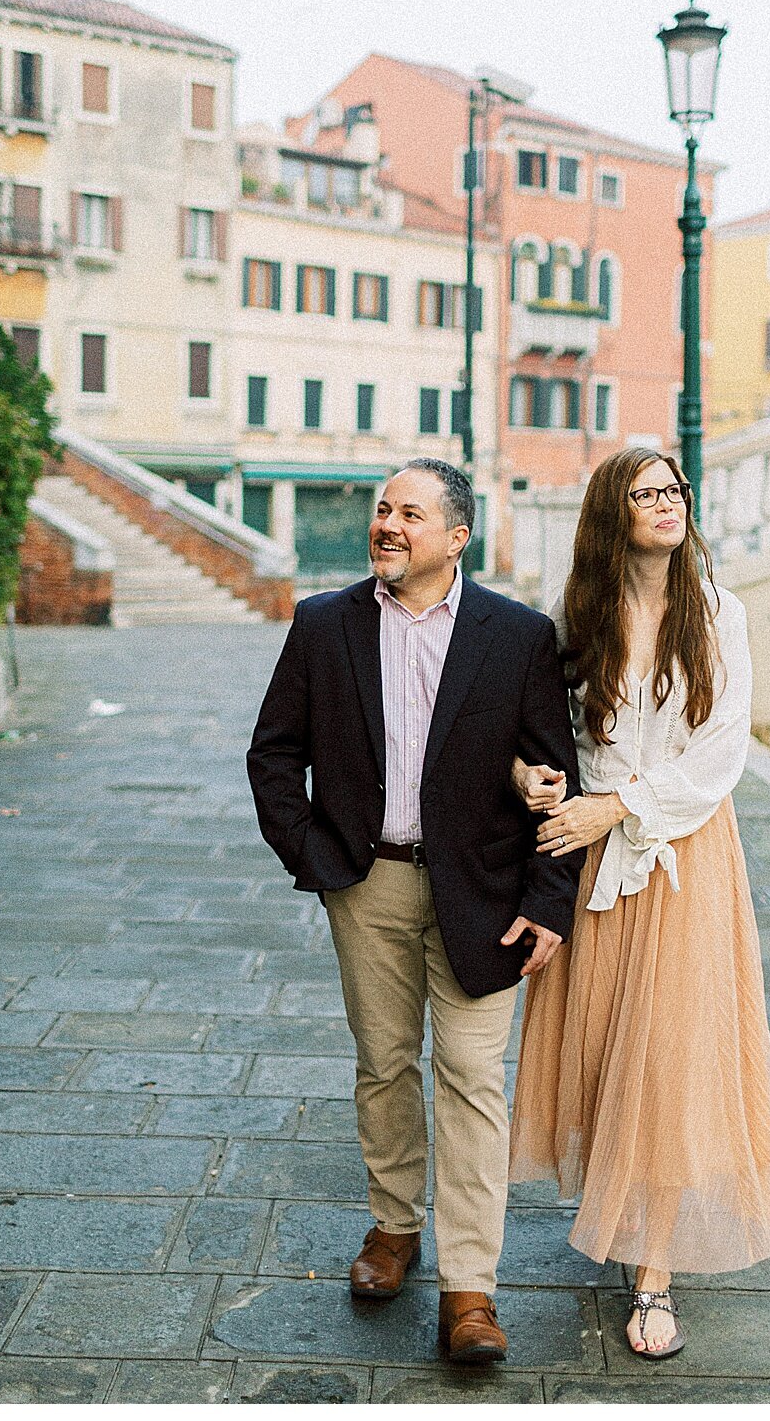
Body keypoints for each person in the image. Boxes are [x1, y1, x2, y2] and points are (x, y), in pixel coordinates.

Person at [247, 458, 582, 1365]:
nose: (388, 525)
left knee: (474, 1078)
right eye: (382, 509)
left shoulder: (515, 636)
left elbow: (559, 777)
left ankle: (470, 1289)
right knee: (385, 1064)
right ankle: (393, 1230)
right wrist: (319, 860)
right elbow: (273, 755)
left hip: (488, 892)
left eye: (410, 513)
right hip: (370, 883)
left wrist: (552, 902)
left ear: (456, 536)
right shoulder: (324, 624)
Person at [508, 447, 770, 1359]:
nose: (667, 503)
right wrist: (530, 776)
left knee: (670, 1054)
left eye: (674, 489)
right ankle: (624, 1209)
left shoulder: (720, 614)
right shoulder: (578, 620)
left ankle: (655, 1272)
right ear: (613, 512)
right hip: (593, 859)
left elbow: (721, 755)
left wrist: (621, 804)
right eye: (646, 492)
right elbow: (533, 726)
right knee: (608, 1047)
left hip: (681, 851)